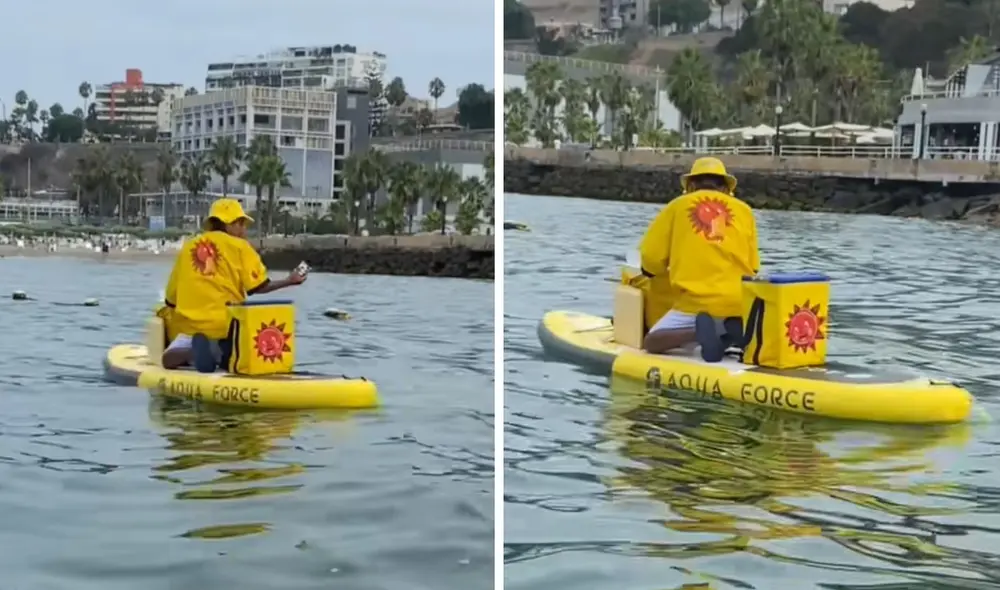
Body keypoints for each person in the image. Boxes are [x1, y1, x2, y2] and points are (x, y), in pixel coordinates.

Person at [161, 198, 306, 372]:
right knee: (228, 353)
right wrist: (290, 280)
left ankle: (187, 352)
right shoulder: (240, 247)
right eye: (241, 224)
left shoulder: (189, 247)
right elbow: (258, 286)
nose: (244, 230)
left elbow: (170, 299)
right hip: (225, 329)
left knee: (173, 348)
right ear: (228, 224)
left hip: (189, 327)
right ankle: (215, 355)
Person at [638, 157, 760, 362]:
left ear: (691, 184)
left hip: (694, 304)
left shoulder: (676, 207)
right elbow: (754, 267)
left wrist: (650, 271)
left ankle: (697, 333)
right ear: (724, 187)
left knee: (651, 343)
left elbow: (651, 259)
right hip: (738, 303)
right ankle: (728, 334)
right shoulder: (745, 211)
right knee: (729, 318)